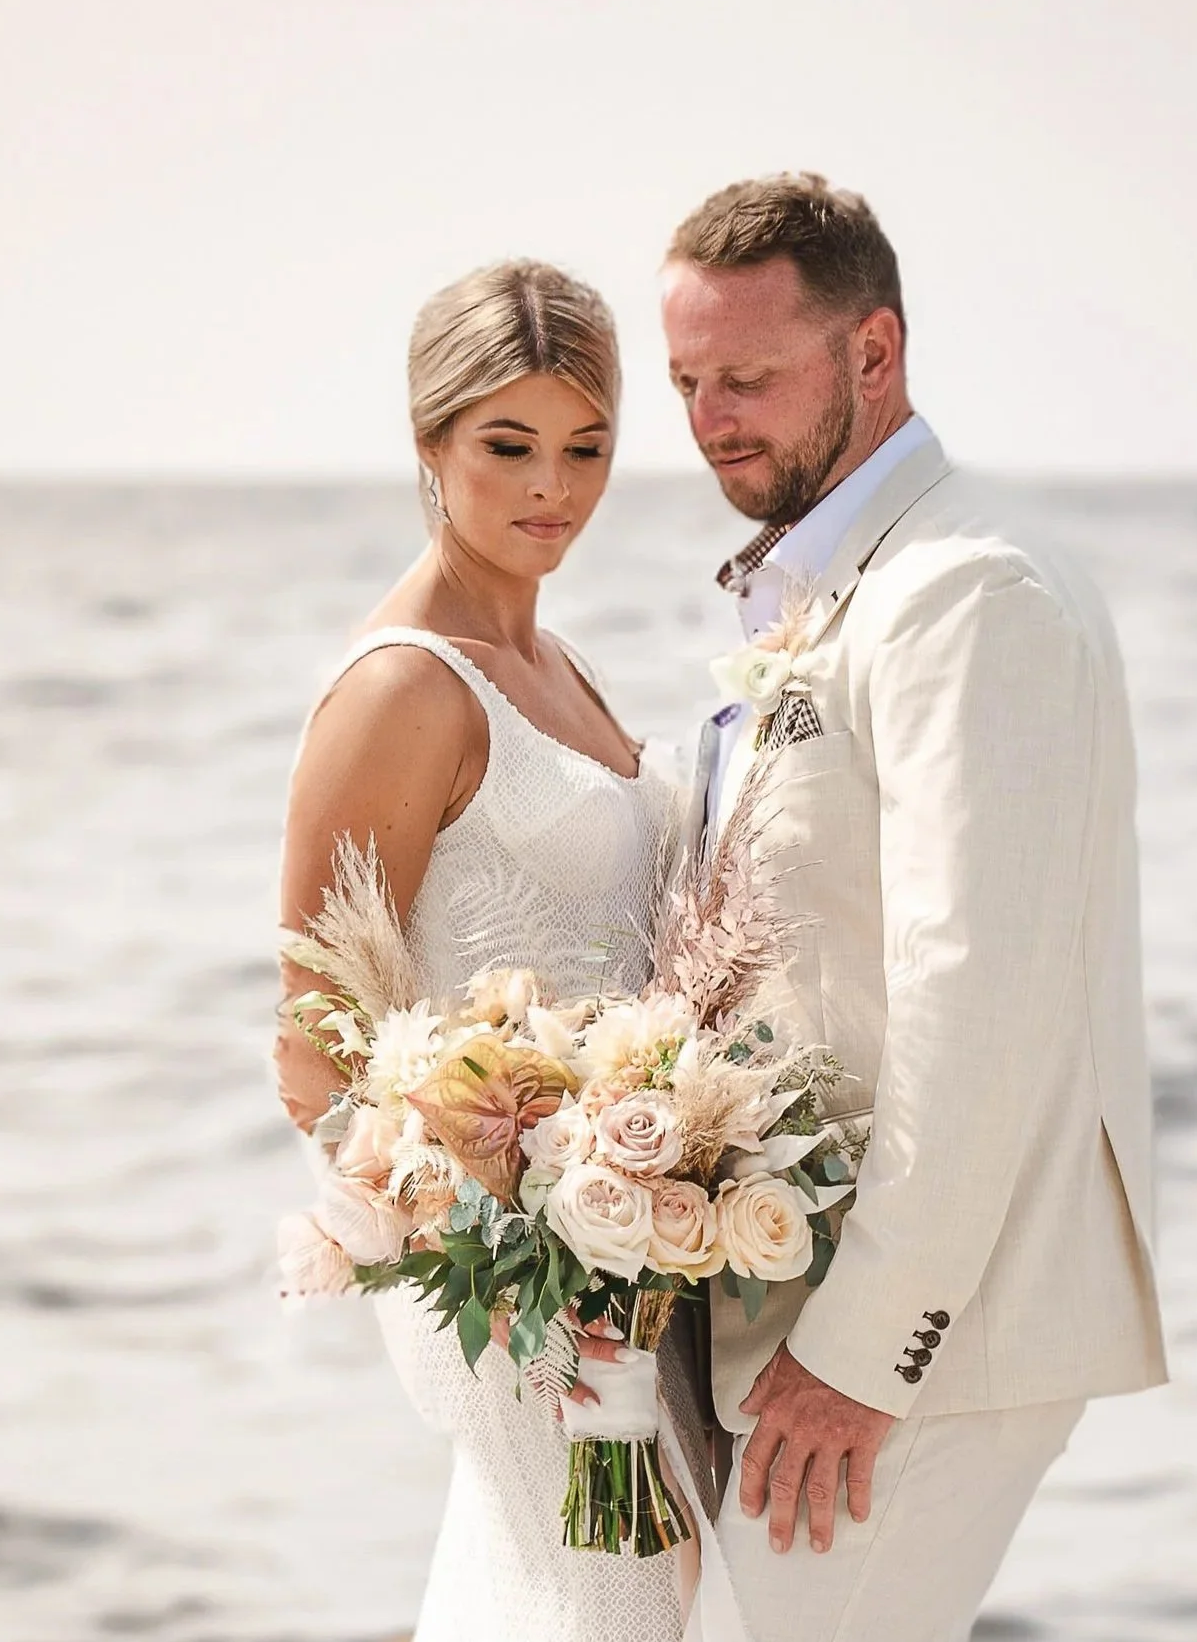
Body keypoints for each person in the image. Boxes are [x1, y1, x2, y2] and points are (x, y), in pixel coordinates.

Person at [665, 173, 1167, 1642]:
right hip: (799, 1319)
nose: (711, 418)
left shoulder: (970, 593)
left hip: (927, 1342)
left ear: (873, 353)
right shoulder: (837, 584)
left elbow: (979, 992)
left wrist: (868, 1346)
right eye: (692, 380)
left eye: (750, 376)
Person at [273, 259, 689, 1642]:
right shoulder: (404, 685)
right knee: (599, 1603)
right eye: (506, 446)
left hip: (626, 1264)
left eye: (586, 448)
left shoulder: (557, 662)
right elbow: (313, 1040)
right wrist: (508, 1269)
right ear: (428, 442)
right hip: (517, 1295)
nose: (549, 489)